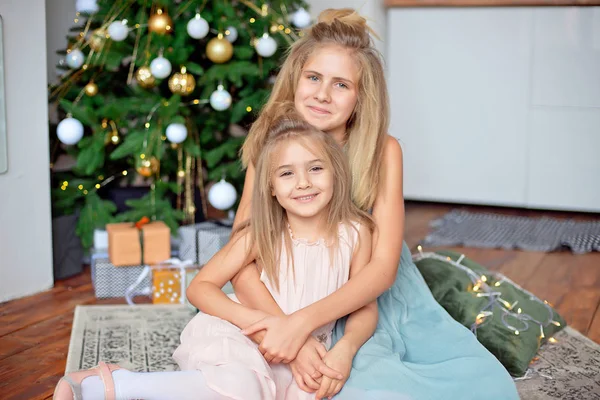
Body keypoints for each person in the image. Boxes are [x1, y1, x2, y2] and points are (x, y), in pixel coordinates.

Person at [230, 8, 520, 400]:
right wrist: (285, 329)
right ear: (295, 78)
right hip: (283, 289)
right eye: (313, 77)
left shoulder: (384, 151)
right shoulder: (270, 141)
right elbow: (241, 254)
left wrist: (309, 326)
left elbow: (382, 268)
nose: (321, 94)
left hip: (362, 291)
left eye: (340, 85)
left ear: (360, 97)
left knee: (481, 384)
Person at [53, 116, 379, 400]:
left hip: (304, 348)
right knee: (244, 385)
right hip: (244, 337)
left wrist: (346, 349)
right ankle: (118, 386)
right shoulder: (260, 234)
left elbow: (364, 304)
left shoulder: (355, 232)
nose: (304, 182)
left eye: (316, 168)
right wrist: (257, 324)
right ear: (270, 188)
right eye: (287, 174)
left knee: (301, 391)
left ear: (336, 172)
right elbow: (200, 287)